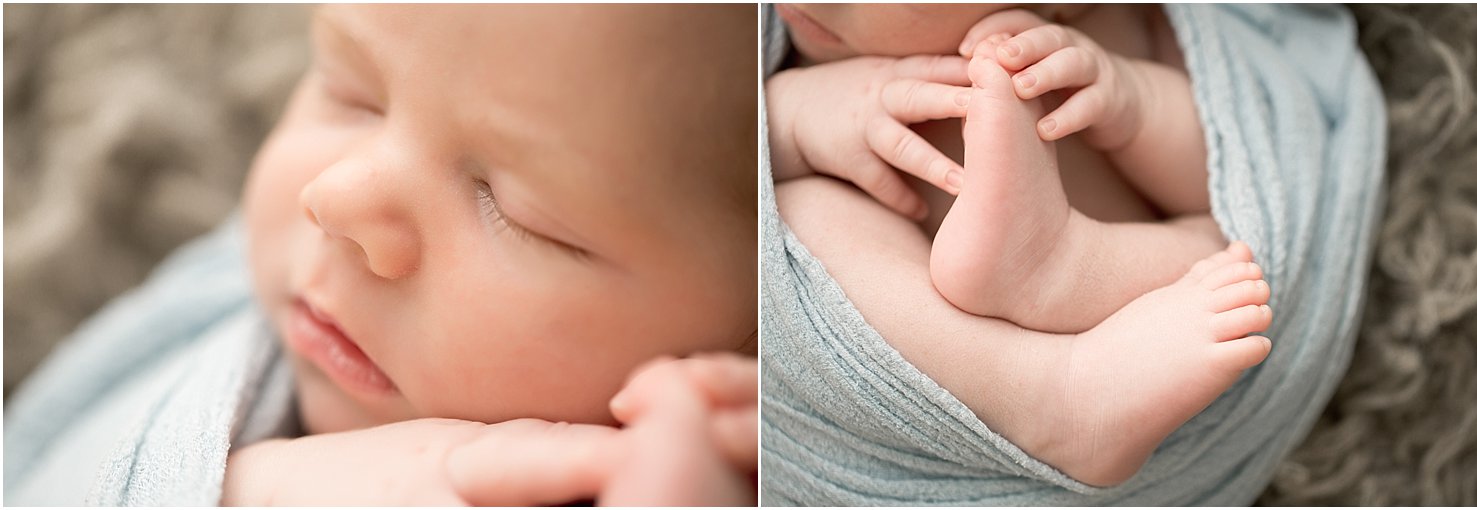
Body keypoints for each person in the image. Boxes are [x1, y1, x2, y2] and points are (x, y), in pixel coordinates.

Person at [6, 5, 758, 505]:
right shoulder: (245, 281)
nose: (336, 200)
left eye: (522, 215)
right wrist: (249, 491)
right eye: (348, 93)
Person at [766, 3, 1272, 486]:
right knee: (797, 212)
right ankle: (1049, 393)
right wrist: (787, 118)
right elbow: (715, 189)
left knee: (1228, 249)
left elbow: (1228, 175)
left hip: (1139, 305)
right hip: (951, 338)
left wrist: (1135, 100)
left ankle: (1068, 268)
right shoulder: (777, 48)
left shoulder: (1100, 33)